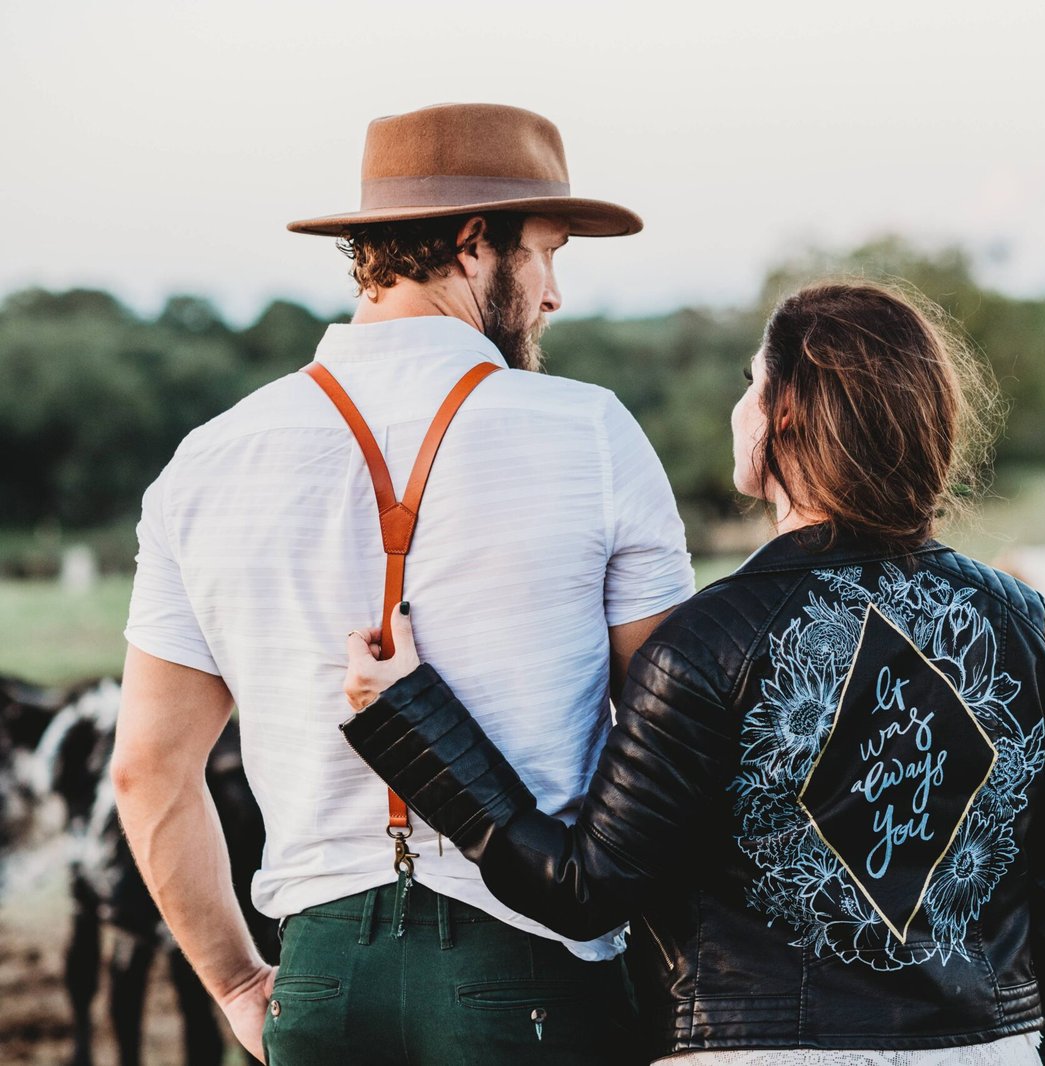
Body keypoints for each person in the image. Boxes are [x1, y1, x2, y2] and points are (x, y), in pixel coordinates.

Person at [341, 282, 1045, 1065]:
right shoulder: (1024, 622)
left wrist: (411, 716)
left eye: (752, 381)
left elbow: (583, 890)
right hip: (990, 1047)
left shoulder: (705, 644)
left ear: (785, 414)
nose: (739, 405)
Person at [112, 103, 695, 1064]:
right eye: (548, 253)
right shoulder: (589, 433)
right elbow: (669, 736)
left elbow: (148, 771)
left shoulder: (206, 462)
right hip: (539, 974)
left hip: (322, 982)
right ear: (474, 246)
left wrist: (237, 983)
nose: (554, 296)